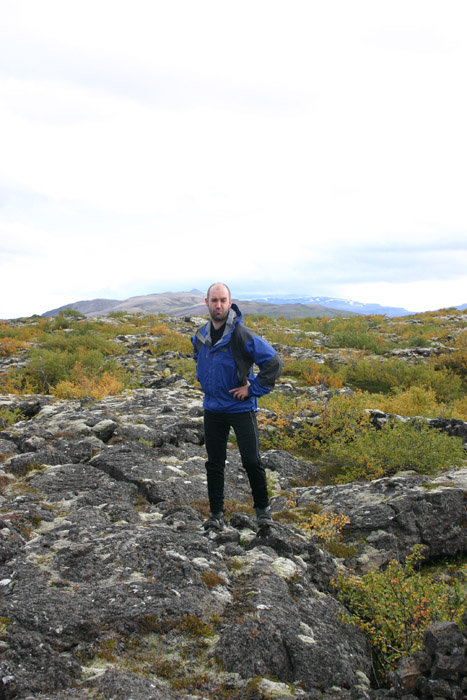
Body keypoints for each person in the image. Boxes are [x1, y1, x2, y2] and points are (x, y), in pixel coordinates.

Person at [192, 283, 282, 531]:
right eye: (214, 300)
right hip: (213, 408)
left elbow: (273, 363)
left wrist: (252, 390)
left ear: (230, 303)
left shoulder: (241, 335)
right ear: (207, 303)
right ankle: (215, 515)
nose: (218, 305)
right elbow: (199, 359)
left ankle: (263, 513)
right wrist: (206, 382)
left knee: (251, 461)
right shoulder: (200, 336)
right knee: (214, 463)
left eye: (223, 300)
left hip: (241, 408)